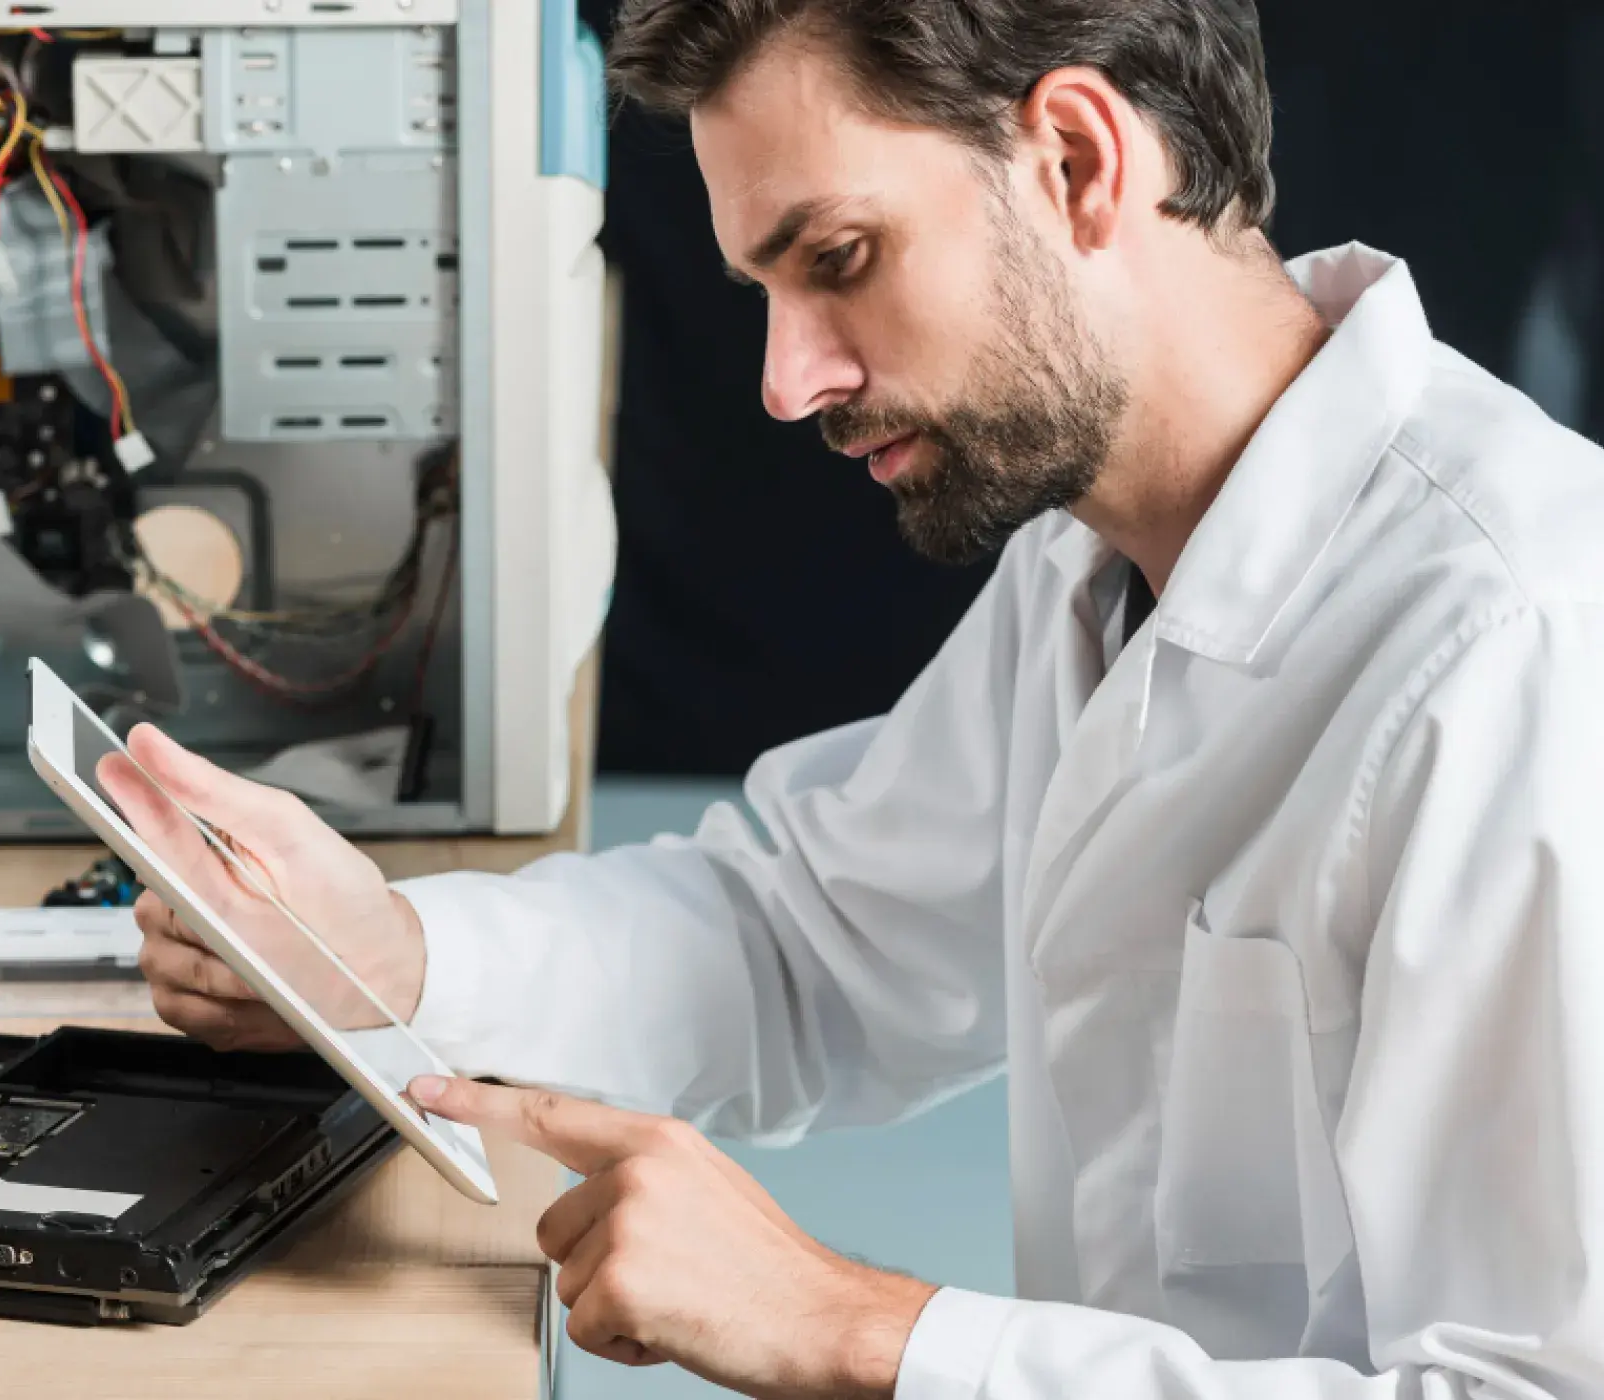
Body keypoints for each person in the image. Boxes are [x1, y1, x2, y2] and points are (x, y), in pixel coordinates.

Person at [99, 1, 1604, 1396]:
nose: (786, 379)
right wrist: (390, 954)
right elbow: (812, 947)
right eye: (763, 289)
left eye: (838, 260)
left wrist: (854, 1327)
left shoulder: (1517, 647)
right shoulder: (1096, 554)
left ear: (1079, 158)